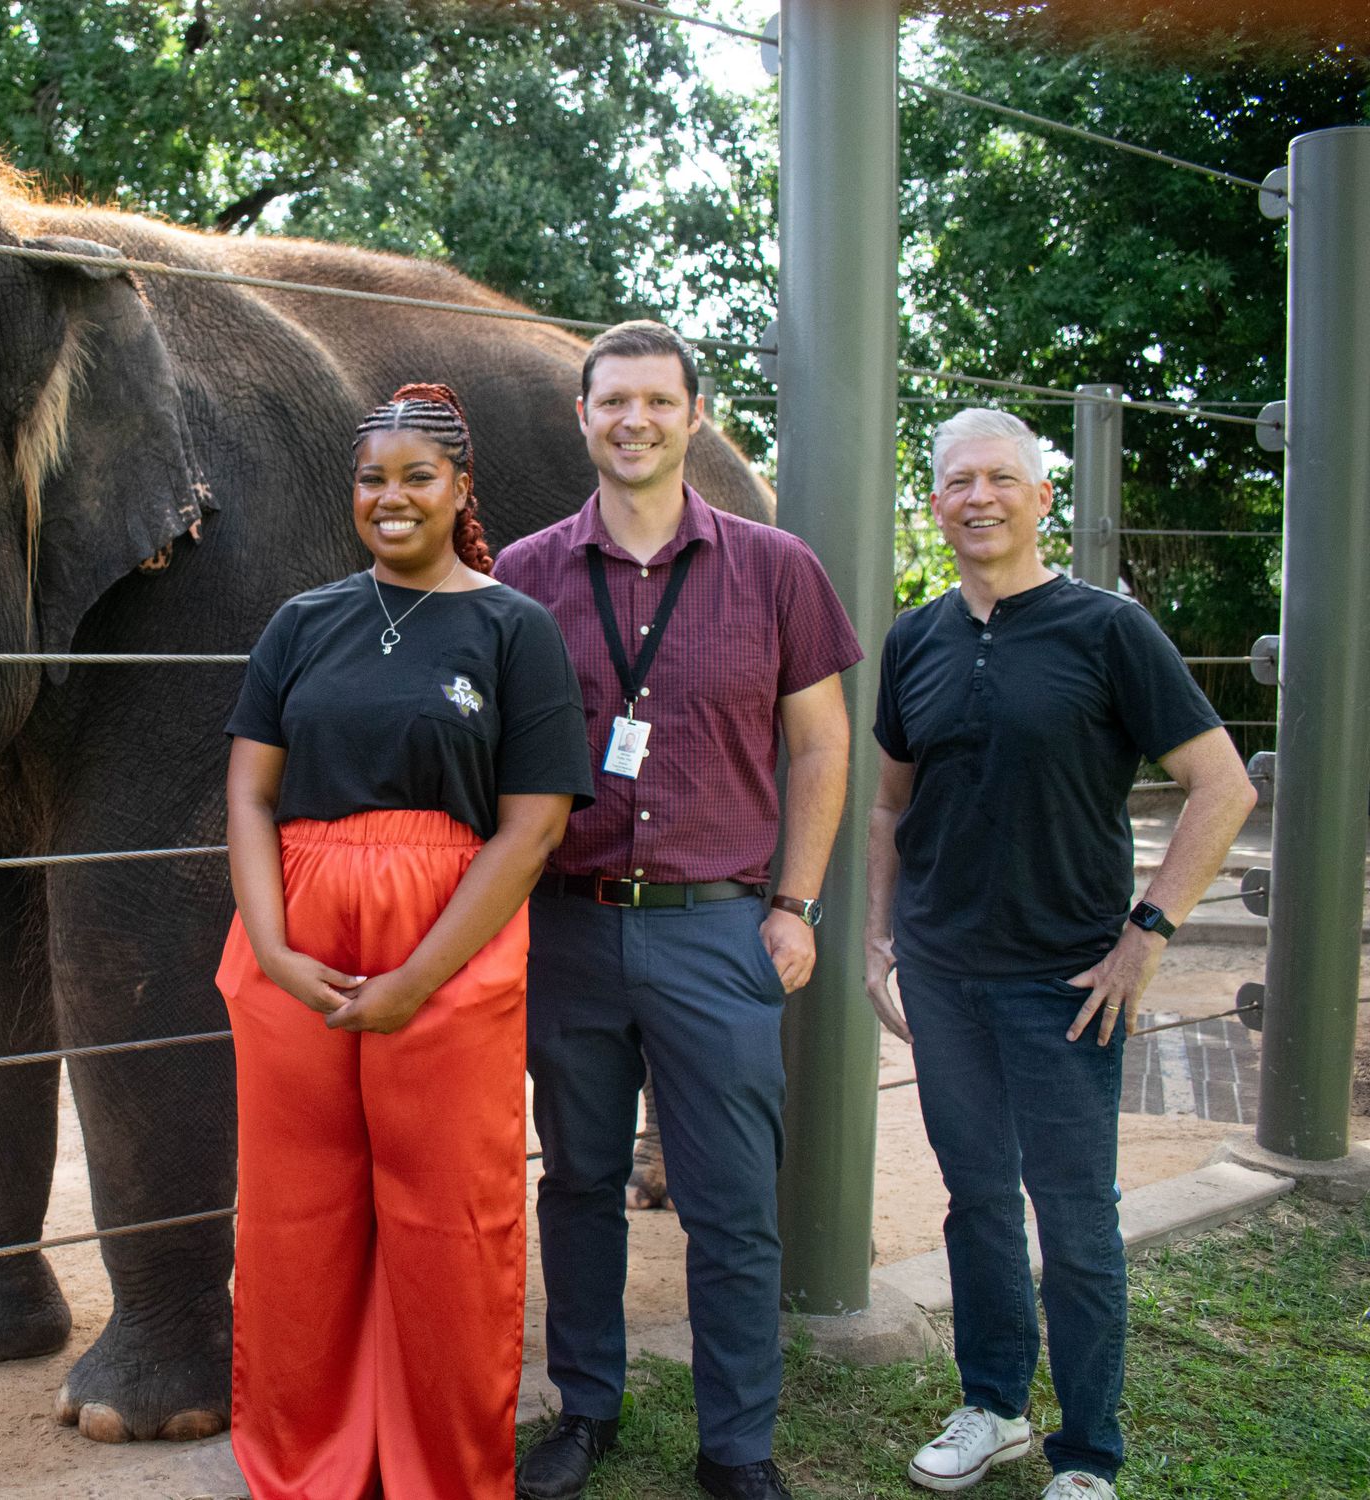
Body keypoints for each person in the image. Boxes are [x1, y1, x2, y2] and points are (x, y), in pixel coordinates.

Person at [495, 321, 862, 1500]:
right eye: (612, 402)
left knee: (729, 1203)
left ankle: (735, 1443)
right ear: (583, 418)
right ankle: (584, 1409)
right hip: (568, 926)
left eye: (657, 401)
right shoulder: (523, 575)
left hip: (720, 929)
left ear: (692, 416)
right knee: (579, 1183)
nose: (634, 421)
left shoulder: (775, 567)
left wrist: (793, 904)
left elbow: (818, 747)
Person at [863, 409, 1256, 1500]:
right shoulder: (914, 637)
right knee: (975, 1202)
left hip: (1068, 982)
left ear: (1041, 499)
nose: (977, 497)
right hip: (943, 974)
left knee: (1076, 1222)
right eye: (955, 481)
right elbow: (889, 807)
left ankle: (1087, 1454)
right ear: (934, 503)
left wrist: (1147, 933)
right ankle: (992, 1407)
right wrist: (873, 935)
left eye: (999, 479)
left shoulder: (1107, 630)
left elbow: (1221, 786)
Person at [216, 382, 595, 1499]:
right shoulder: (301, 623)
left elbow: (533, 827)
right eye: (371, 478)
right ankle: (305, 1460)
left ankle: (440, 1464)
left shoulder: (511, 628)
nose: (390, 497)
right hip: (296, 934)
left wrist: (416, 978)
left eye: (416, 477)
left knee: (450, 1214)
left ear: (460, 488)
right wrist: (276, 952)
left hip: (451, 938)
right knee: (297, 1210)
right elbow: (247, 795)